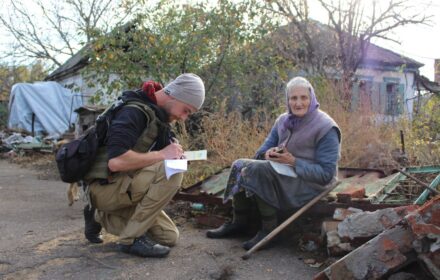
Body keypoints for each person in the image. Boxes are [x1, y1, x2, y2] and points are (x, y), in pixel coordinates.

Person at [206, 76, 341, 250]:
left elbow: (325, 176)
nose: (298, 103)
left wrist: (293, 161)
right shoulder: (283, 121)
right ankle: (239, 223)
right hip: (284, 175)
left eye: (303, 98)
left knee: (260, 170)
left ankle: (269, 230)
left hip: (310, 185)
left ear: (312, 98)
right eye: (293, 98)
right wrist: (267, 154)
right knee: (240, 164)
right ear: (288, 100)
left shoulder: (326, 127)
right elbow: (259, 154)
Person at [84, 73, 205, 258]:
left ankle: (99, 215)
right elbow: (116, 162)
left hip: (125, 186)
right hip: (105, 187)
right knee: (173, 172)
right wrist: (163, 155)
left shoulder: (159, 117)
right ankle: (130, 239)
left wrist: (176, 153)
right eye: (186, 110)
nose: (184, 117)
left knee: (169, 237)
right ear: (175, 96)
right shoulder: (133, 112)